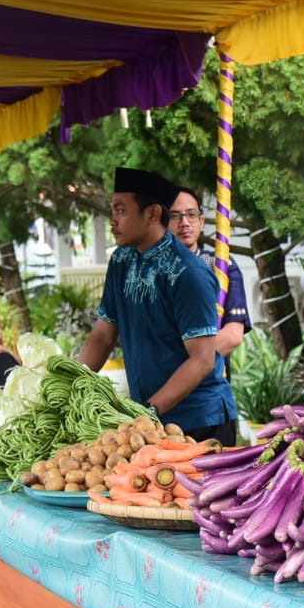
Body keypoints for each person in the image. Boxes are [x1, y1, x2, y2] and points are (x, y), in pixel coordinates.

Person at [78, 168, 238, 446]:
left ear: (152, 214)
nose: (112, 221)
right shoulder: (121, 261)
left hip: (201, 423)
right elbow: (103, 336)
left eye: (121, 211)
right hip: (152, 421)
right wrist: (68, 384)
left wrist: (147, 411)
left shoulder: (189, 273)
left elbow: (202, 360)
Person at [168, 187, 252, 367]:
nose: (184, 222)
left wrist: (182, 369)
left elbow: (232, 336)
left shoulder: (221, 266)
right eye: (174, 216)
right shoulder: (151, 272)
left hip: (209, 385)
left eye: (191, 214)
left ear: (201, 221)